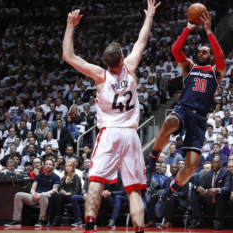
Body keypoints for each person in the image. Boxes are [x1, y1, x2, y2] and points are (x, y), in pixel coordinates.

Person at [62, 2, 161, 232]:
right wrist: (149, 17)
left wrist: (70, 26)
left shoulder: (99, 76)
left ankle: (89, 226)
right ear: (122, 58)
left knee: (95, 180)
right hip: (131, 135)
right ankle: (138, 229)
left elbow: (68, 55)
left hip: (109, 134)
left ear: (106, 63)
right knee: (134, 188)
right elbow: (142, 40)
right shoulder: (131, 66)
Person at [151, 12, 226, 218]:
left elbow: (221, 57)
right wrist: (189, 28)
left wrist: (209, 32)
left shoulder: (215, 71)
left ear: (209, 56)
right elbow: (175, 49)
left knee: (192, 166)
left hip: (200, 118)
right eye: (199, 51)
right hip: (184, 109)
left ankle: (167, 193)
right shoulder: (190, 67)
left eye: (205, 52)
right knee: (169, 122)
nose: (201, 53)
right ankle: (152, 161)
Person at [4, 159, 60, 227]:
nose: (48, 166)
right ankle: (17, 220)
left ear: (53, 166)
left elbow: (54, 190)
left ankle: (41, 220)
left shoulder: (56, 177)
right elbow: (33, 188)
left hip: (46, 197)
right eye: (46, 164)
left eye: (50, 164)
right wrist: (33, 194)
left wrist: (40, 194)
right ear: (44, 166)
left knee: (43, 195)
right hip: (36, 197)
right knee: (18, 195)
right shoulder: (39, 176)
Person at [189, 156, 231, 230]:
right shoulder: (209, 173)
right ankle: (198, 220)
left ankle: (219, 220)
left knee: (219, 195)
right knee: (195, 194)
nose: (214, 164)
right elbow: (202, 184)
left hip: (222, 200)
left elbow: (227, 187)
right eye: (213, 163)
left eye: (216, 162)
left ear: (221, 163)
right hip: (210, 198)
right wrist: (200, 188)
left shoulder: (226, 172)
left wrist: (217, 189)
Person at [145, 163, 190, 229]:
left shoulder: (183, 179)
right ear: (170, 170)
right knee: (153, 198)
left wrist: (174, 193)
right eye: (171, 168)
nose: (173, 169)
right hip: (167, 198)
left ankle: (169, 222)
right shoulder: (167, 180)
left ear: (178, 169)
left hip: (179, 200)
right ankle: (152, 221)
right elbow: (164, 190)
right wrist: (160, 193)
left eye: (175, 167)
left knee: (170, 197)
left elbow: (184, 193)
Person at [46, 161, 82, 226]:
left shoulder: (76, 177)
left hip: (72, 196)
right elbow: (60, 188)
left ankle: (56, 218)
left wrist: (67, 193)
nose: (68, 167)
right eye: (66, 166)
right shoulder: (63, 177)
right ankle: (49, 218)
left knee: (58, 196)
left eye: (70, 166)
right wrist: (61, 191)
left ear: (73, 168)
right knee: (53, 196)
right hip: (63, 195)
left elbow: (77, 190)